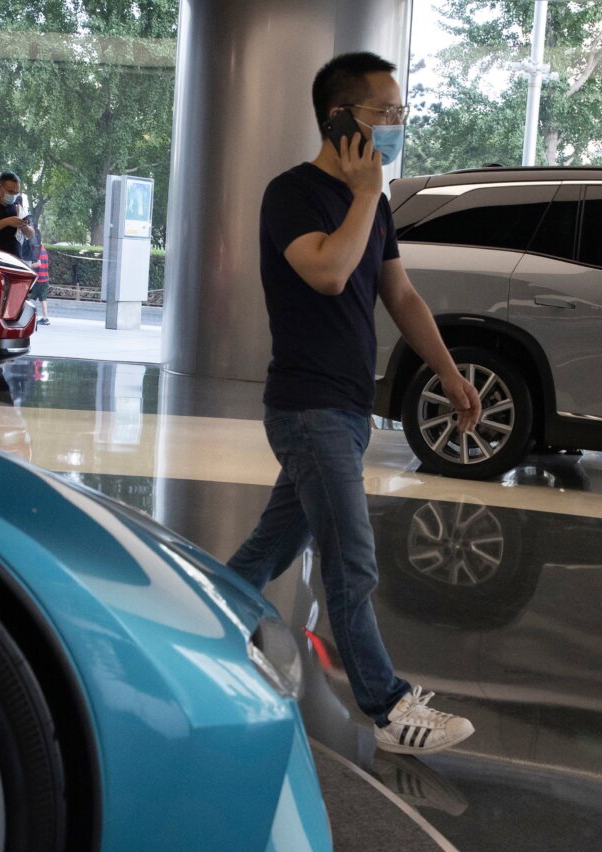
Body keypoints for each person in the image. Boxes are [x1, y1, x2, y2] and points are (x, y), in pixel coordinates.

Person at [226, 51, 482, 757]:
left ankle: (194, 627)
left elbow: (400, 294)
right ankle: (388, 709)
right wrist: (367, 194)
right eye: (385, 112)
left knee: (270, 548)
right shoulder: (292, 194)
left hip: (344, 408)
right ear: (342, 118)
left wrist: (449, 373)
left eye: (400, 111)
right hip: (305, 408)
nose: (397, 124)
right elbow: (331, 273)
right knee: (351, 560)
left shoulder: (377, 205)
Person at [29, 216, 52, 325]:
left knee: (26, 297)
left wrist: (28, 266)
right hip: (45, 278)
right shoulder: (43, 249)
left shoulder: (36, 250)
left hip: (38, 280)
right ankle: (45, 318)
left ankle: (25, 317)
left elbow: (38, 264)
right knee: (43, 299)